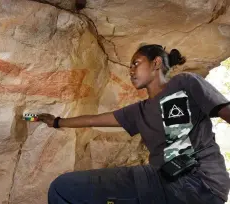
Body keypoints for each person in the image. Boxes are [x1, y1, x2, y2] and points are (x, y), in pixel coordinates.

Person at [39, 44, 230, 204]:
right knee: (63, 188)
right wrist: (56, 121)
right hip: (163, 183)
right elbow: (93, 119)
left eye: (136, 64)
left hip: (201, 182)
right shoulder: (138, 112)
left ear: (156, 63)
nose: (131, 71)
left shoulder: (183, 83)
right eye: (129, 67)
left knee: (63, 188)